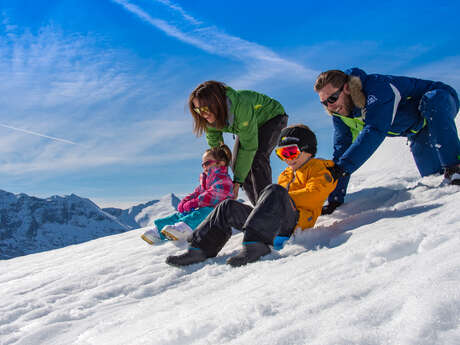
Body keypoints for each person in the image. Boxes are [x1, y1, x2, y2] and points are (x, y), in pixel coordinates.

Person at [165, 125, 337, 267]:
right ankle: (199, 249)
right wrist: (268, 203)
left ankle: (256, 245)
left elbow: (314, 194)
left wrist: (277, 197)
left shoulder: (320, 168)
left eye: (291, 152)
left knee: (274, 190)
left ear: (308, 150)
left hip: (295, 222)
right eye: (282, 154)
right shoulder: (286, 174)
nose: (287, 159)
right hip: (272, 221)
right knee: (227, 207)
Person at [314, 68, 460, 215]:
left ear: (346, 88)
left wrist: (343, 167)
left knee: (433, 102)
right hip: (419, 132)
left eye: (332, 99)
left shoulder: (376, 88)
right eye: (324, 103)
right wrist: (335, 199)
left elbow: (375, 129)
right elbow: (342, 151)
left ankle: (456, 168)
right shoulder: (340, 115)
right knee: (433, 179)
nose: (330, 106)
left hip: (441, 101)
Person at [188, 80, 288, 206]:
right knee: (237, 166)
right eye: (197, 110)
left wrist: (238, 181)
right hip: (249, 127)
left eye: (204, 109)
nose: (202, 114)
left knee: (256, 158)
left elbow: (249, 148)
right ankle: (259, 209)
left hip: (272, 117)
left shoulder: (241, 107)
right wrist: (220, 176)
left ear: (216, 102)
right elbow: (218, 151)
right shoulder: (209, 119)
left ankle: (268, 208)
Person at [141, 144, 233, 244]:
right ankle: (160, 231)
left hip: (221, 216)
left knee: (205, 211)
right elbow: (196, 193)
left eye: (207, 163)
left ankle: (184, 229)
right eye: (203, 165)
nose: (204, 167)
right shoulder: (207, 181)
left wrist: (196, 202)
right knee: (182, 214)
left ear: (221, 163)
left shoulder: (224, 180)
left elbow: (214, 195)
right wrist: (186, 201)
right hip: (208, 212)